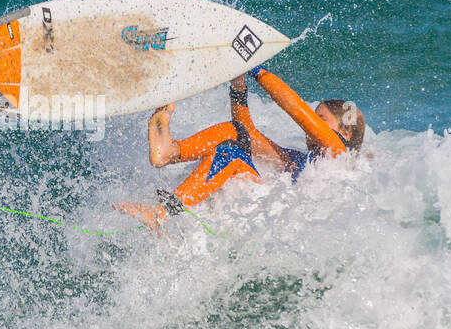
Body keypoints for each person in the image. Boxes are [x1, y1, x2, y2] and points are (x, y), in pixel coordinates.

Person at [114, 68, 365, 233]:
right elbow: (249, 135)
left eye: (320, 119)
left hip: (276, 230)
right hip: (264, 217)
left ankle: (161, 212)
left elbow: (296, 110)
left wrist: (257, 69)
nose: (312, 124)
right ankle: (169, 152)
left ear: (346, 133)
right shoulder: (303, 162)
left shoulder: (340, 157)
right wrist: (238, 84)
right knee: (235, 134)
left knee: (232, 153)